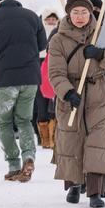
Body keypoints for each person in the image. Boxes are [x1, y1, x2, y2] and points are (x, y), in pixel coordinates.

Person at [47, 0, 105, 208]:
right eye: (75, 12)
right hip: (72, 96)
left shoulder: (102, 34)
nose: (80, 17)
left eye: (84, 12)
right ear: (68, 14)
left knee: (99, 141)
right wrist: (67, 92)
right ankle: (74, 185)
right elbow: (54, 73)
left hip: (98, 94)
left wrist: (101, 54)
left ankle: (95, 191)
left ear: (90, 13)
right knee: (72, 139)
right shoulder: (58, 39)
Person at [0, 0, 47, 182]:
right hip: (30, 78)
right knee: (25, 120)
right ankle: (29, 156)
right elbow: (42, 45)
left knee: (5, 122)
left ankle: (14, 164)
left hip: (4, 80)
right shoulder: (32, 16)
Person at [35, 10, 60, 149]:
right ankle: (44, 138)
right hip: (41, 66)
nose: (51, 21)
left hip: (54, 65)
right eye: (48, 18)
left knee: (55, 106)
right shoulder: (39, 32)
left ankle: (53, 137)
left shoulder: (59, 31)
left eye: (53, 18)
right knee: (42, 104)